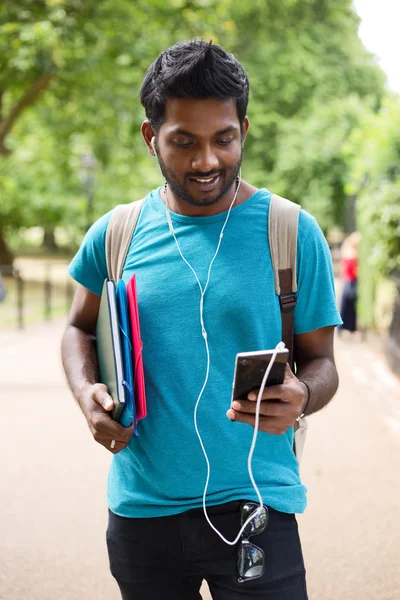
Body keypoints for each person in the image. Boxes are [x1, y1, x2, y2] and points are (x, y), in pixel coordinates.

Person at [61, 41, 342, 600]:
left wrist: (302, 396)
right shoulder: (116, 234)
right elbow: (76, 328)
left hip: (256, 505)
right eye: (184, 142)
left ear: (244, 128)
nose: (207, 160)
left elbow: (324, 363)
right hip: (143, 512)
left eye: (224, 138)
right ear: (150, 137)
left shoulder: (290, 232)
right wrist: (85, 392)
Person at [339, 232, 360, 335]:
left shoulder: (347, 252)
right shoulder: (352, 254)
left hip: (347, 280)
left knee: (346, 304)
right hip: (350, 281)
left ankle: (345, 328)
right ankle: (347, 327)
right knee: (349, 305)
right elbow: (353, 270)